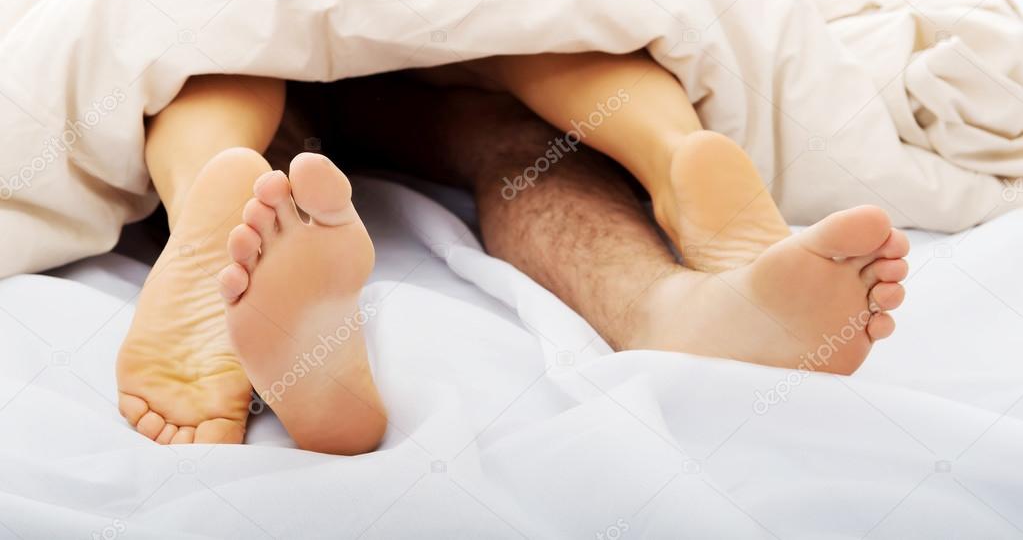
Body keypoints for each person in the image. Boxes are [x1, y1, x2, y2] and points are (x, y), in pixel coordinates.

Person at [116, 53, 908, 453]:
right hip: (466, 36)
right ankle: (672, 172)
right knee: (529, 92)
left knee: (215, 41)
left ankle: (209, 220)